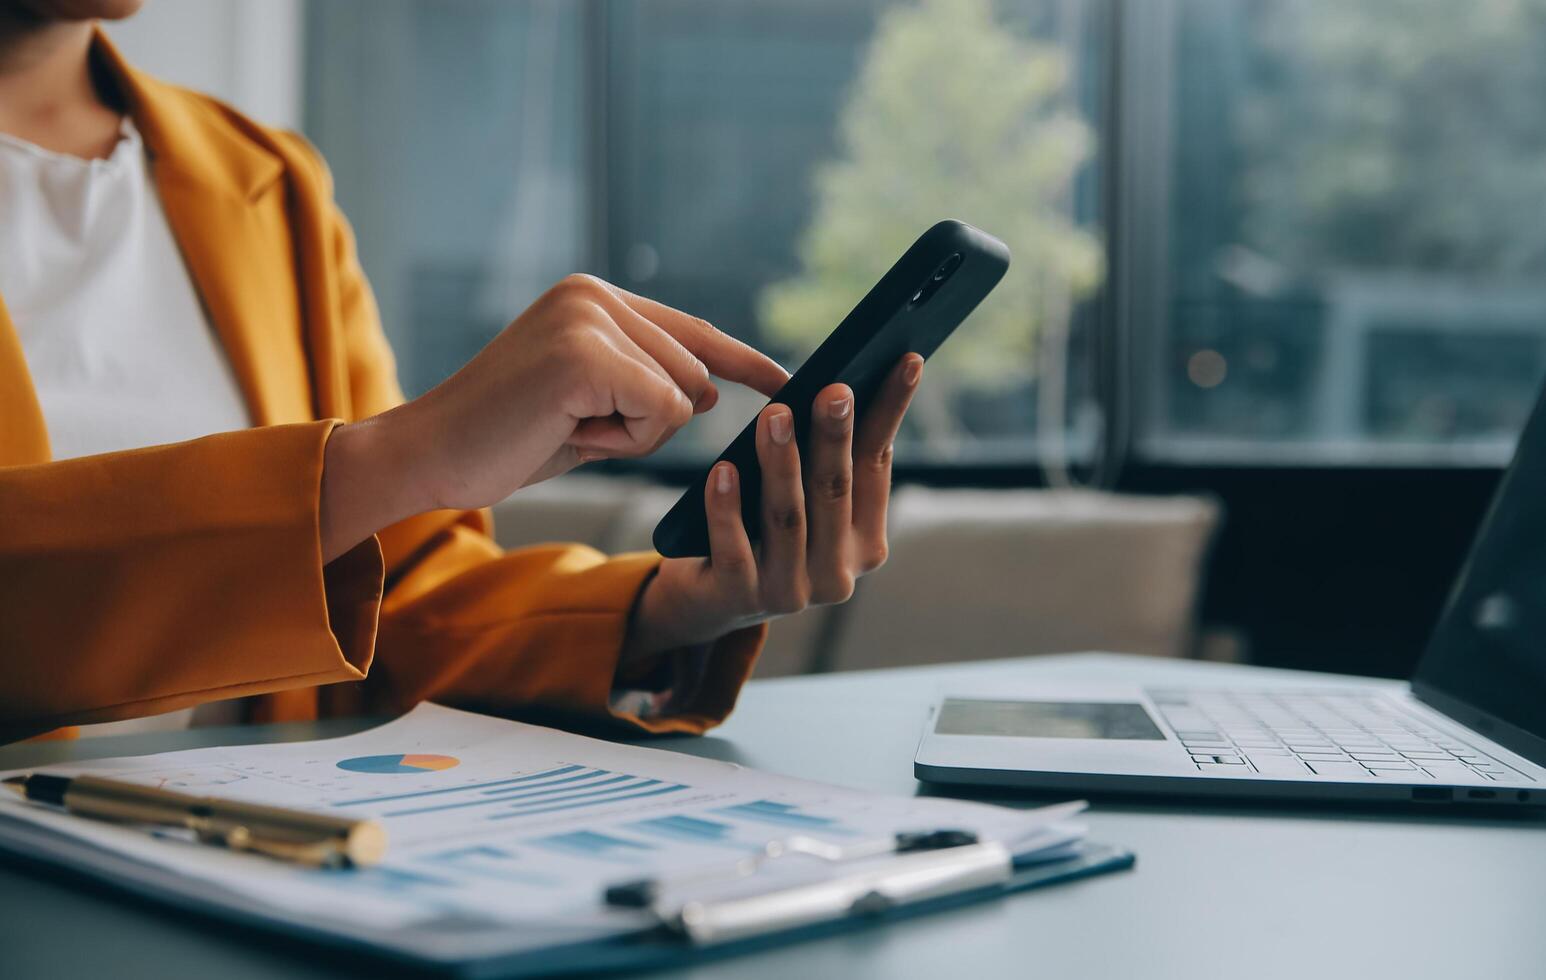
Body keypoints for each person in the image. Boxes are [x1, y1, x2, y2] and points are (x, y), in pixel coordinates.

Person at [0, 1, 922, 742]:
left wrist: (664, 609)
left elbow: (394, 601)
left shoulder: (267, 180)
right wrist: (396, 457)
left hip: (238, 883)